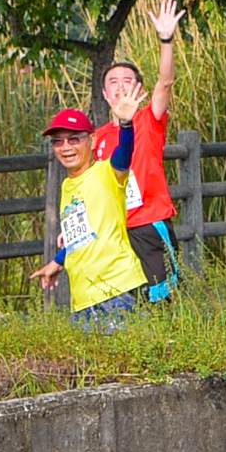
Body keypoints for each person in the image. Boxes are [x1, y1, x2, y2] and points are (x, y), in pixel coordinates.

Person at [101, 0, 185, 300]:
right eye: (114, 82)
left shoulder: (149, 120)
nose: (121, 87)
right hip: (113, 230)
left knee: (164, 297)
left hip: (149, 223)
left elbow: (165, 82)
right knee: (126, 300)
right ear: (104, 93)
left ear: (139, 87)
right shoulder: (97, 138)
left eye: (128, 80)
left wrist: (166, 39)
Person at [35, 104, 148, 329]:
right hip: (83, 298)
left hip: (116, 290)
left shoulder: (107, 172)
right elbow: (86, 235)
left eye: (74, 139)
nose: (65, 147)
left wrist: (126, 125)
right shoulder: (67, 185)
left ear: (93, 141)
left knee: (124, 362)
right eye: (58, 141)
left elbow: (124, 153)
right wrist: (58, 261)